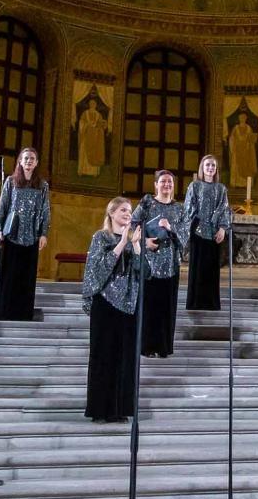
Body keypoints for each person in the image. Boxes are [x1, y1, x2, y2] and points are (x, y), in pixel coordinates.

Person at [82, 198, 143, 423]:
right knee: (102, 357)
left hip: (128, 307)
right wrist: (122, 243)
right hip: (105, 304)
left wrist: (136, 246)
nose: (128, 213)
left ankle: (119, 409)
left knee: (125, 359)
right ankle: (99, 409)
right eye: (123, 210)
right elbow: (97, 270)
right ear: (112, 213)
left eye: (130, 210)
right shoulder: (101, 237)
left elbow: (144, 273)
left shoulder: (135, 240)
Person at [0, 147, 49, 322]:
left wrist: (44, 233)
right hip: (12, 234)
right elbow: (3, 206)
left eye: (32, 158)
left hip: (31, 235)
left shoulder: (42, 185)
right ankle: (4, 312)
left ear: (37, 162)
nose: (29, 161)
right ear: (20, 161)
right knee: (9, 276)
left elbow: (46, 211)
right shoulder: (10, 181)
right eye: (26, 158)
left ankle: (23, 314)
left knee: (27, 277)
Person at [135, 170, 188, 357]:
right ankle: (146, 347)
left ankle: (164, 347)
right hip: (150, 261)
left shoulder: (179, 209)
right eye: (163, 181)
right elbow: (132, 224)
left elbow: (185, 236)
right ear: (156, 184)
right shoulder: (147, 202)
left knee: (167, 306)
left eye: (170, 182)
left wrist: (170, 227)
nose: (167, 185)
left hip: (171, 262)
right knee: (149, 304)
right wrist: (144, 241)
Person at [183, 155, 230, 311]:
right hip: (197, 231)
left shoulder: (221, 188)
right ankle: (195, 303)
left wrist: (223, 228)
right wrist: (195, 224)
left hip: (215, 232)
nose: (210, 168)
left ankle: (211, 303)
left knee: (212, 269)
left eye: (213, 166)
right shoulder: (195, 186)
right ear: (202, 167)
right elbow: (188, 208)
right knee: (197, 268)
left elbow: (224, 209)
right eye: (208, 165)